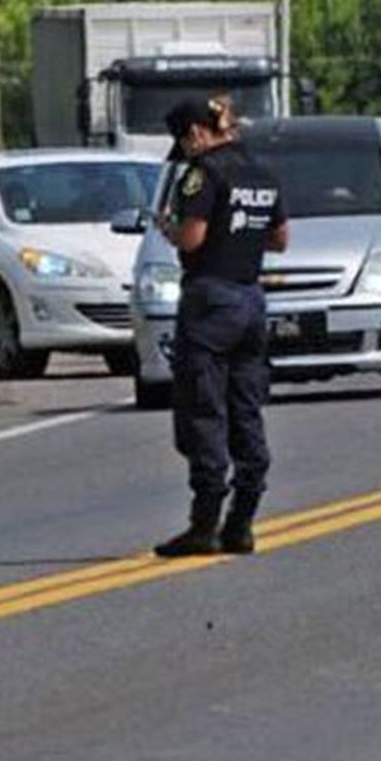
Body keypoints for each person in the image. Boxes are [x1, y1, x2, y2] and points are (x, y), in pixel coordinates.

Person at [153, 96, 288, 557]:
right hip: (251, 300)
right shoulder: (260, 174)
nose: (186, 152)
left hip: (210, 299)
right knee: (246, 407)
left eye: (184, 142)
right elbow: (280, 239)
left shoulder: (203, 173)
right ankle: (242, 521)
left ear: (195, 133)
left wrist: (169, 229)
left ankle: (204, 523)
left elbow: (193, 237)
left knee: (203, 407)